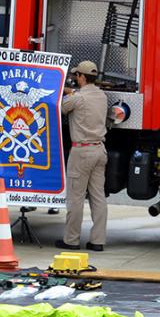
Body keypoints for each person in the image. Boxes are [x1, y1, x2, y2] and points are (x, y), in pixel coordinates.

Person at [55, 60, 109, 252]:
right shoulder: (102, 96)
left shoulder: (78, 98)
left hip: (82, 152)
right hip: (99, 150)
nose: (75, 78)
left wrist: (69, 92)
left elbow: (61, 107)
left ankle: (71, 240)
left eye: (77, 75)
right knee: (98, 197)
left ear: (83, 77)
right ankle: (97, 241)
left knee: (76, 197)